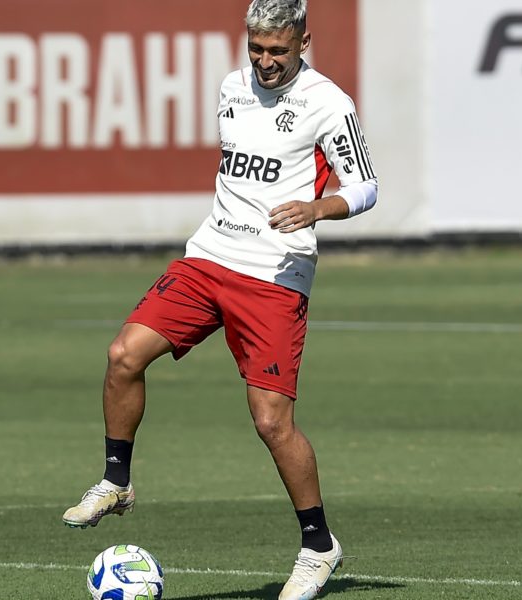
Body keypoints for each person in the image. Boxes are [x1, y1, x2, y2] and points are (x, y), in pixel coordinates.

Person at [63, 1, 377, 598]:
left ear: (304, 41)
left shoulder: (329, 104)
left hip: (274, 277)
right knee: (124, 354)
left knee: (270, 422)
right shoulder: (232, 87)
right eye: (256, 49)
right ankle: (115, 482)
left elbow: (366, 186)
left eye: (278, 51)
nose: (265, 62)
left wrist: (317, 208)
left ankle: (318, 547)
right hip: (209, 257)